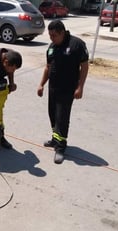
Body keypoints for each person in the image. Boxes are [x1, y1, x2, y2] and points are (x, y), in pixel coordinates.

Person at [37, 20, 89, 164]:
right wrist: (41, 84)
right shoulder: (52, 47)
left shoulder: (76, 44)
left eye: (54, 35)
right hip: (53, 87)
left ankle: (61, 148)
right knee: (52, 114)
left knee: (62, 118)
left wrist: (80, 87)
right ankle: (55, 139)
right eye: (50, 35)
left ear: (62, 32)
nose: (51, 38)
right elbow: (48, 67)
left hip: (68, 89)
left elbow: (84, 67)